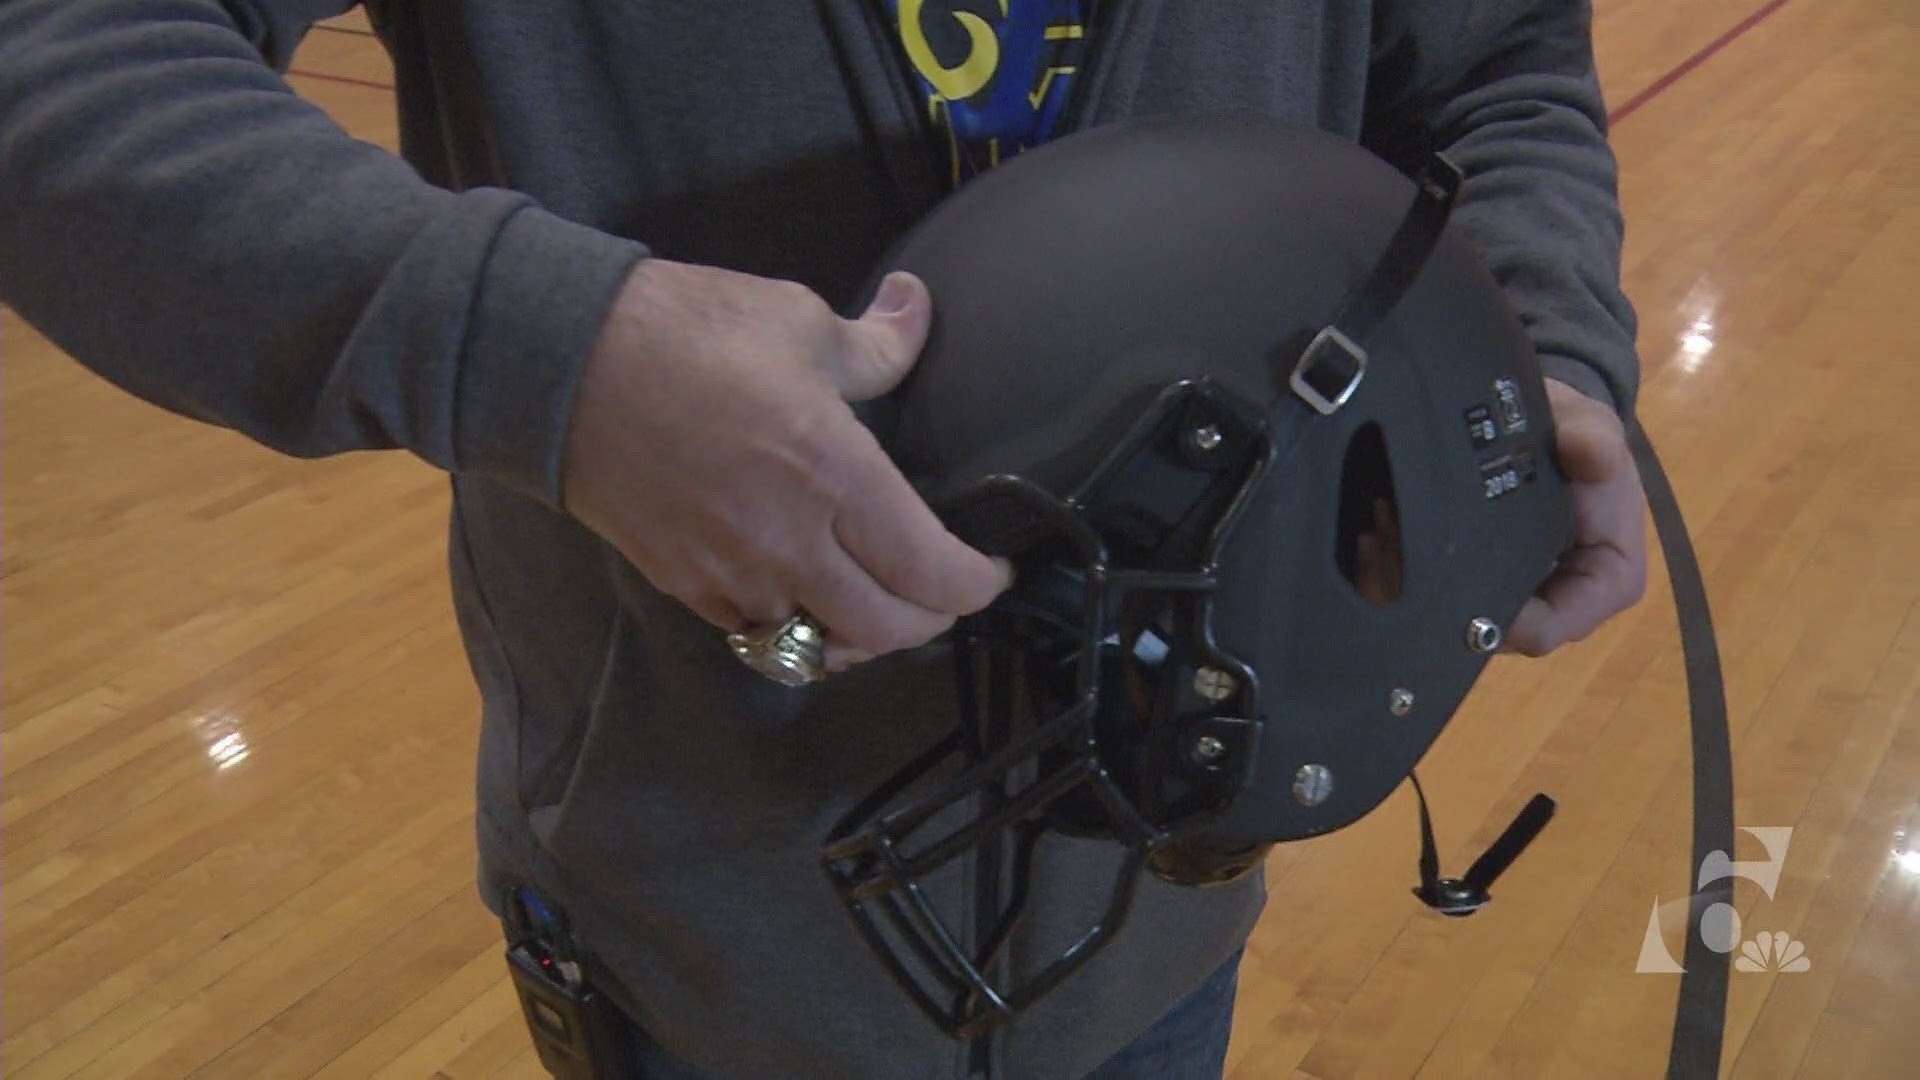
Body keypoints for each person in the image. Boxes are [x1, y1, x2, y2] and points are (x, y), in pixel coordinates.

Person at [0, 3, 1649, 1077]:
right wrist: (546, 356)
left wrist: (1531, 345)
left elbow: (1495, 64)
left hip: (1163, 909)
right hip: (699, 952)